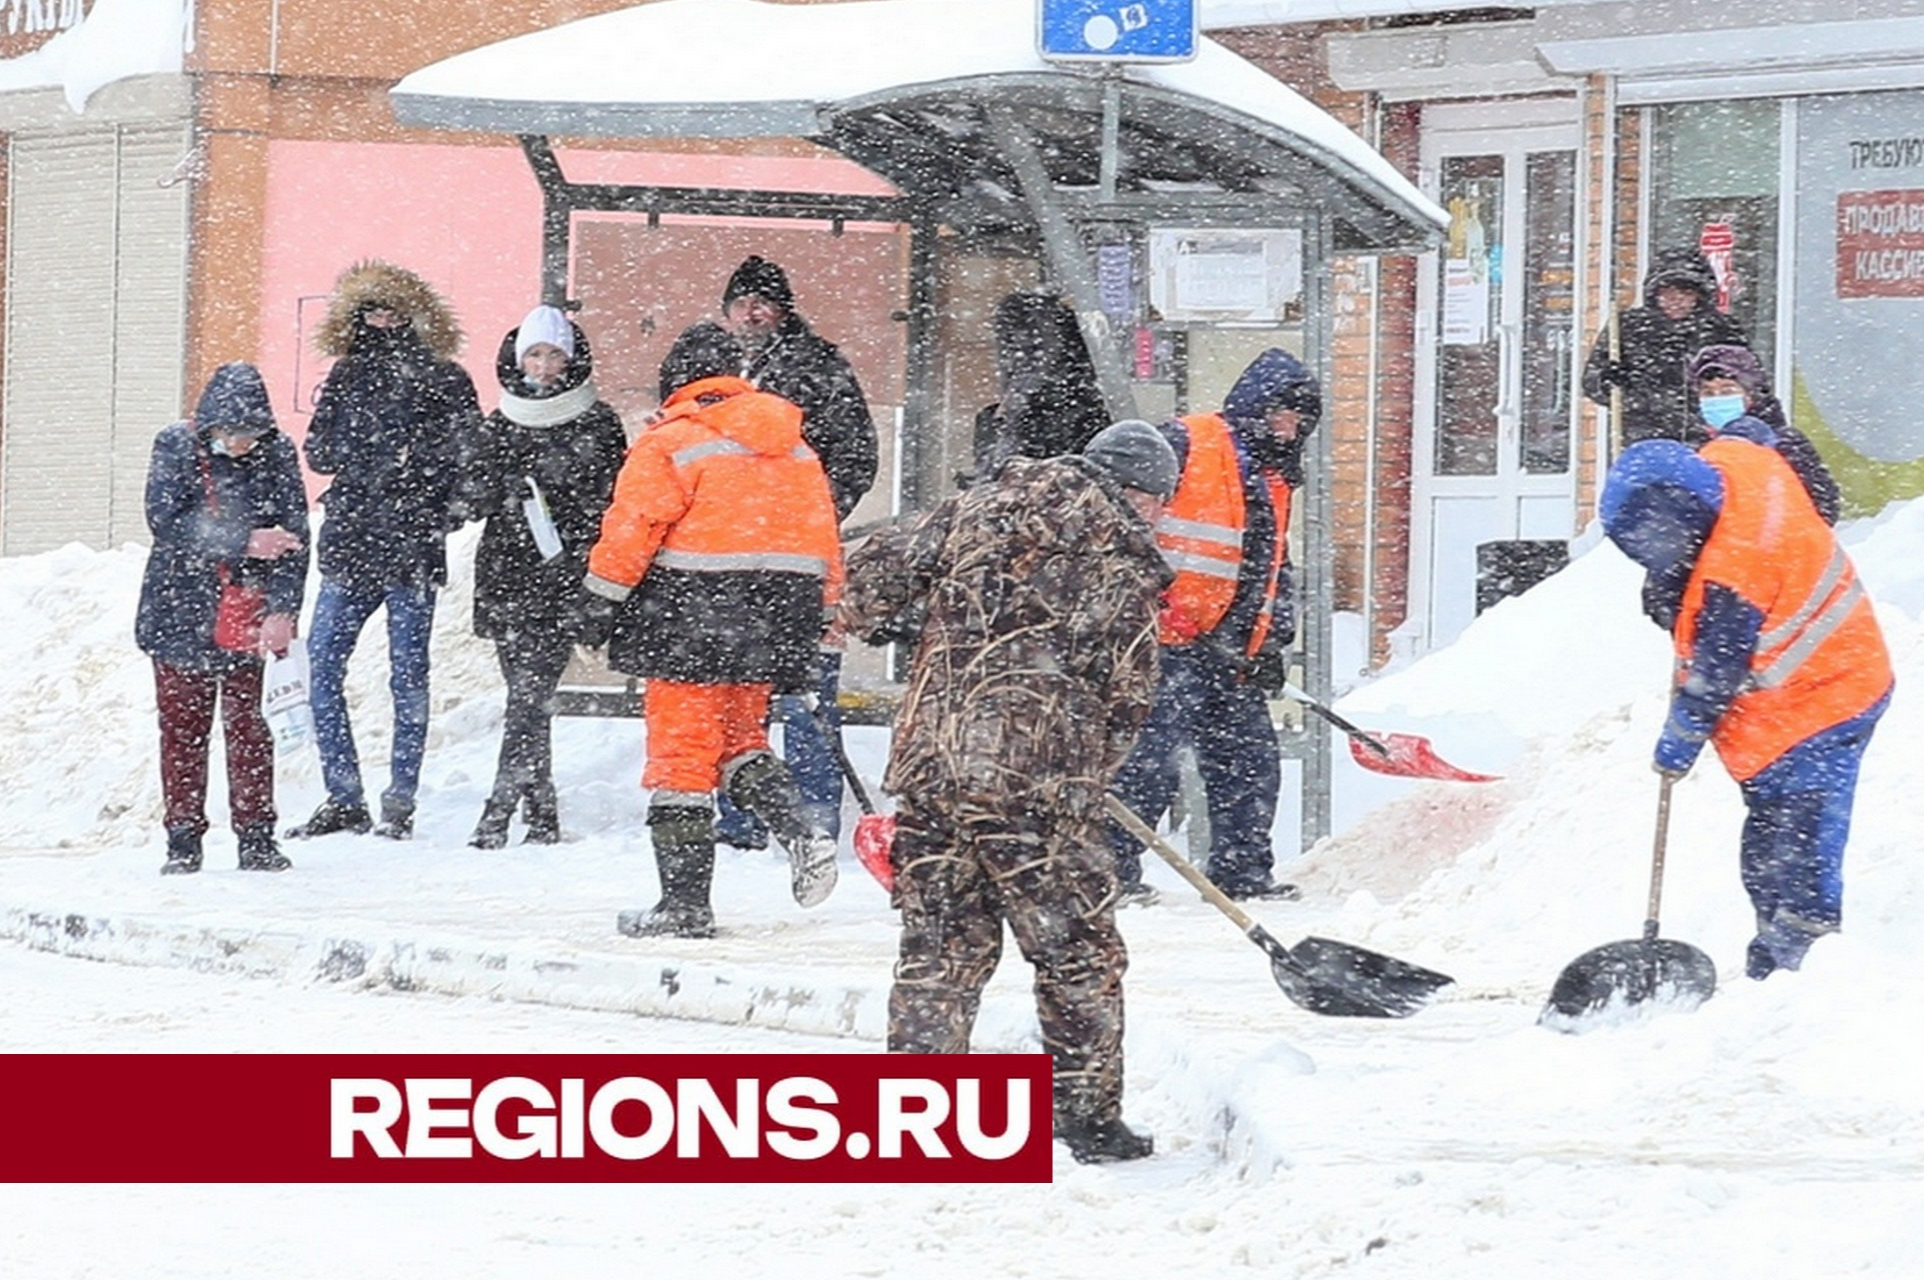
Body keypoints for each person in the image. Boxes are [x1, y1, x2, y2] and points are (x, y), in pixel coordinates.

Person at [838, 419, 1177, 1165]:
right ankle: (1086, 1118)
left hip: (933, 764)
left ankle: (919, 1112)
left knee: (940, 948)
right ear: (1140, 494)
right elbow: (1127, 690)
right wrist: (1088, 770)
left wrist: (903, 622)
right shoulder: (1120, 558)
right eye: (1162, 503)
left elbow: (868, 581)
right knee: (1076, 952)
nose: (1160, 519)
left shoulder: (975, 508)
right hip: (1036, 782)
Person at [586, 321, 845, 939]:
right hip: (772, 621)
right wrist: (823, 612)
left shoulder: (671, 442)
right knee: (739, 742)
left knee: (681, 759)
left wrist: (599, 602)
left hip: (689, 617)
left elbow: (635, 528)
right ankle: (803, 833)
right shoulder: (795, 446)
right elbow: (823, 538)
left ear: (678, 382)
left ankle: (684, 905)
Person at [1600, 439, 1891, 980]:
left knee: (1797, 843)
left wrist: (1678, 742)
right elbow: (1751, 436)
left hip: (1828, 698)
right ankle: (1779, 950)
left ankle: (1802, 963)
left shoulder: (1735, 575)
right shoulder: (1735, 462)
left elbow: (1713, 680)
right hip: (1803, 695)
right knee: (1767, 847)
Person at [1106, 348, 1320, 905]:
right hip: (1164, 644)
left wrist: (1271, 642)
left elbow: (1272, 569)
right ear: (1255, 405)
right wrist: (1156, 610)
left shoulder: (1274, 481)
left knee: (1250, 764)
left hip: (1231, 655)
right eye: (1283, 412)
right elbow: (1117, 530)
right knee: (1146, 766)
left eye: (1301, 419)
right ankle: (1108, 873)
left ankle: (1242, 874)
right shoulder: (1186, 443)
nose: (1290, 427)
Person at [287, 260, 481, 842]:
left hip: (413, 548)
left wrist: (431, 494)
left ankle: (400, 801)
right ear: (356, 316)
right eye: (372, 310)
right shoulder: (346, 375)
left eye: (393, 310)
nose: (384, 320)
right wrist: (381, 452)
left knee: (409, 677)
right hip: (352, 542)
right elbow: (318, 451)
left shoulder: (447, 379)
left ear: (416, 315)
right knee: (320, 668)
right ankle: (343, 795)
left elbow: (471, 460)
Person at [713, 255, 879, 855]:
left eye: (763, 302)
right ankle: (741, 816)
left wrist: (808, 513)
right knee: (735, 692)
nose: (752, 312)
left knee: (806, 692)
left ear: (784, 311)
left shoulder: (818, 367)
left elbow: (858, 455)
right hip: (723, 560)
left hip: (797, 562)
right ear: (726, 312)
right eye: (742, 302)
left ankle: (813, 819)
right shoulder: (710, 367)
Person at [461, 305, 627, 849]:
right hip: (508, 572)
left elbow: (612, 496)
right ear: (517, 357)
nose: (544, 365)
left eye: (555, 354)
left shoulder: (597, 420)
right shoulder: (500, 420)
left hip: (565, 574)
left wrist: (562, 502)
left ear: (572, 359)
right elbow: (473, 494)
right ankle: (542, 808)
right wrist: (505, 489)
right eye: (534, 353)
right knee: (526, 695)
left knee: (530, 694)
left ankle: (499, 808)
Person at [137, 362, 309, 875]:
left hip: (248, 611)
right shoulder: (175, 444)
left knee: (250, 728)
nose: (240, 444)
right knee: (183, 730)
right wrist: (243, 540)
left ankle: (257, 836)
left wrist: (284, 609)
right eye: (231, 433)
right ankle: (183, 839)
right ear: (210, 422)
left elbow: (295, 536)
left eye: (250, 434)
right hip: (178, 608)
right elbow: (164, 520)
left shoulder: (277, 452)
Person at [1583, 247, 1749, 447]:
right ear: (1655, 293)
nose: (1675, 300)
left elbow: (1751, 383)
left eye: (1685, 293)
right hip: (1645, 439)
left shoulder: (1722, 330)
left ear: (1699, 295)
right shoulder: (1628, 327)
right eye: (1667, 292)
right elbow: (1592, 380)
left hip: (1709, 439)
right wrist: (1608, 381)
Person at [1686, 343, 1841, 525]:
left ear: (1750, 395)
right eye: (1708, 392)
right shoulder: (1696, 448)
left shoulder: (1783, 441)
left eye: (1728, 390)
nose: (1717, 398)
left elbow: (1824, 505)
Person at [970, 291, 1108, 474]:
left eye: (1030, 350)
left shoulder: (1071, 411)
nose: (1012, 362)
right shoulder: (1003, 417)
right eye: (1006, 348)